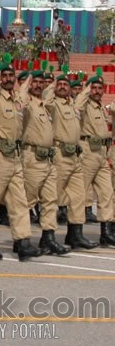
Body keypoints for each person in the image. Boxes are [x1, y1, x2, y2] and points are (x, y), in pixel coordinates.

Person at [0, 62, 42, 261]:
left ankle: (22, 242)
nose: (7, 79)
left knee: (20, 201)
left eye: (9, 75)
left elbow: (24, 94)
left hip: (14, 155)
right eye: (3, 76)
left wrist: (27, 81)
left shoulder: (16, 100)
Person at [44, 74, 98, 249]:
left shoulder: (73, 106)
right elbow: (46, 96)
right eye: (58, 84)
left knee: (78, 197)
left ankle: (75, 234)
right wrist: (52, 84)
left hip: (75, 157)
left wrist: (89, 86)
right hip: (60, 155)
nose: (61, 87)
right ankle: (47, 236)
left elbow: (82, 98)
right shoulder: (52, 105)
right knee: (53, 197)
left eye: (64, 84)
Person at [21, 71, 70, 255]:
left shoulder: (44, 106)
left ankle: (48, 238)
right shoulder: (27, 105)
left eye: (41, 83)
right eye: (36, 82)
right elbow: (21, 99)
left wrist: (54, 83)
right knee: (27, 201)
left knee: (51, 200)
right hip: (33, 158)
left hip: (48, 160)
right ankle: (22, 240)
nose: (39, 85)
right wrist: (26, 83)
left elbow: (50, 93)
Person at [76, 74, 115, 246]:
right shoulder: (84, 105)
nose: (97, 92)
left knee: (107, 194)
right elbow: (77, 105)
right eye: (94, 88)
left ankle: (105, 232)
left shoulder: (100, 107)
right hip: (87, 152)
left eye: (100, 88)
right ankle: (74, 232)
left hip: (101, 153)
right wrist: (87, 88)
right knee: (81, 193)